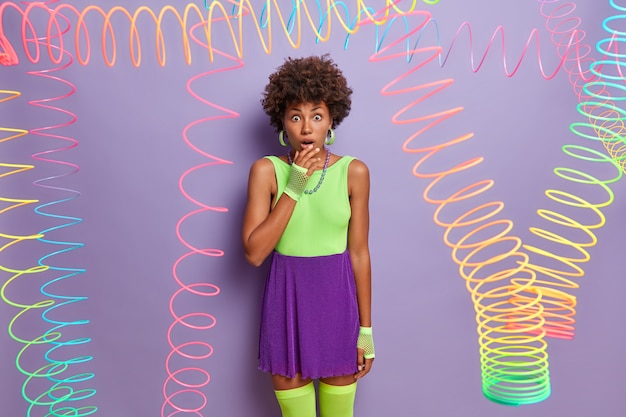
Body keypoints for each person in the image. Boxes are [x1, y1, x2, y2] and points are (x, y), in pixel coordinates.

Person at [242, 54, 375, 417]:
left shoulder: (354, 172)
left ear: (331, 120)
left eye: (316, 116)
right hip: (287, 302)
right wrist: (294, 188)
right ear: (282, 121)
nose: (306, 127)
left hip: (338, 303)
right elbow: (254, 253)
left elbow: (359, 254)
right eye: (296, 116)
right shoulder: (266, 171)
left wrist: (366, 329)